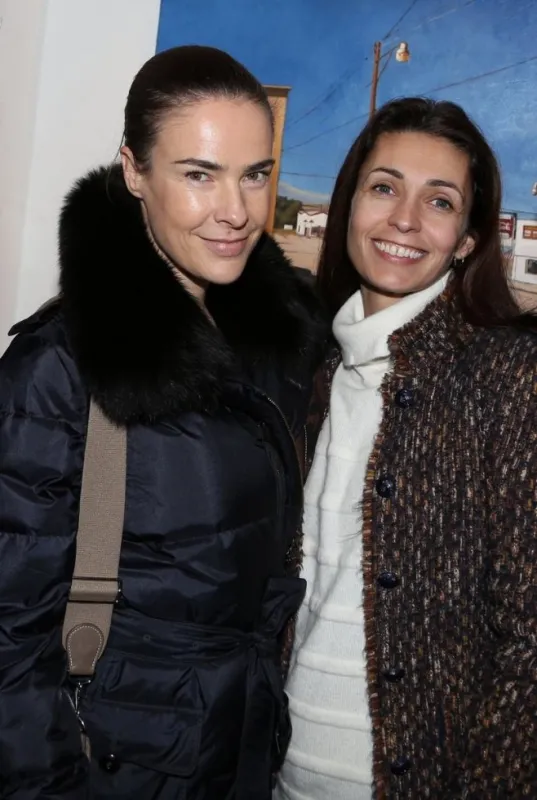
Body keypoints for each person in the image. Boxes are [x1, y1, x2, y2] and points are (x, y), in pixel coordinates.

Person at [0, 45, 325, 799]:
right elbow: (9, 645)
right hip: (110, 768)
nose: (237, 211)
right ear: (133, 171)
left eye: (253, 174)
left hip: (239, 754)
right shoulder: (59, 369)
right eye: (198, 174)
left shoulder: (272, 349)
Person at [275, 97, 537, 799]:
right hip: (275, 773)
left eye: (440, 201)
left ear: (469, 238)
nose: (404, 220)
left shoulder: (507, 376)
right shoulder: (315, 368)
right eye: (384, 187)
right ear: (349, 202)